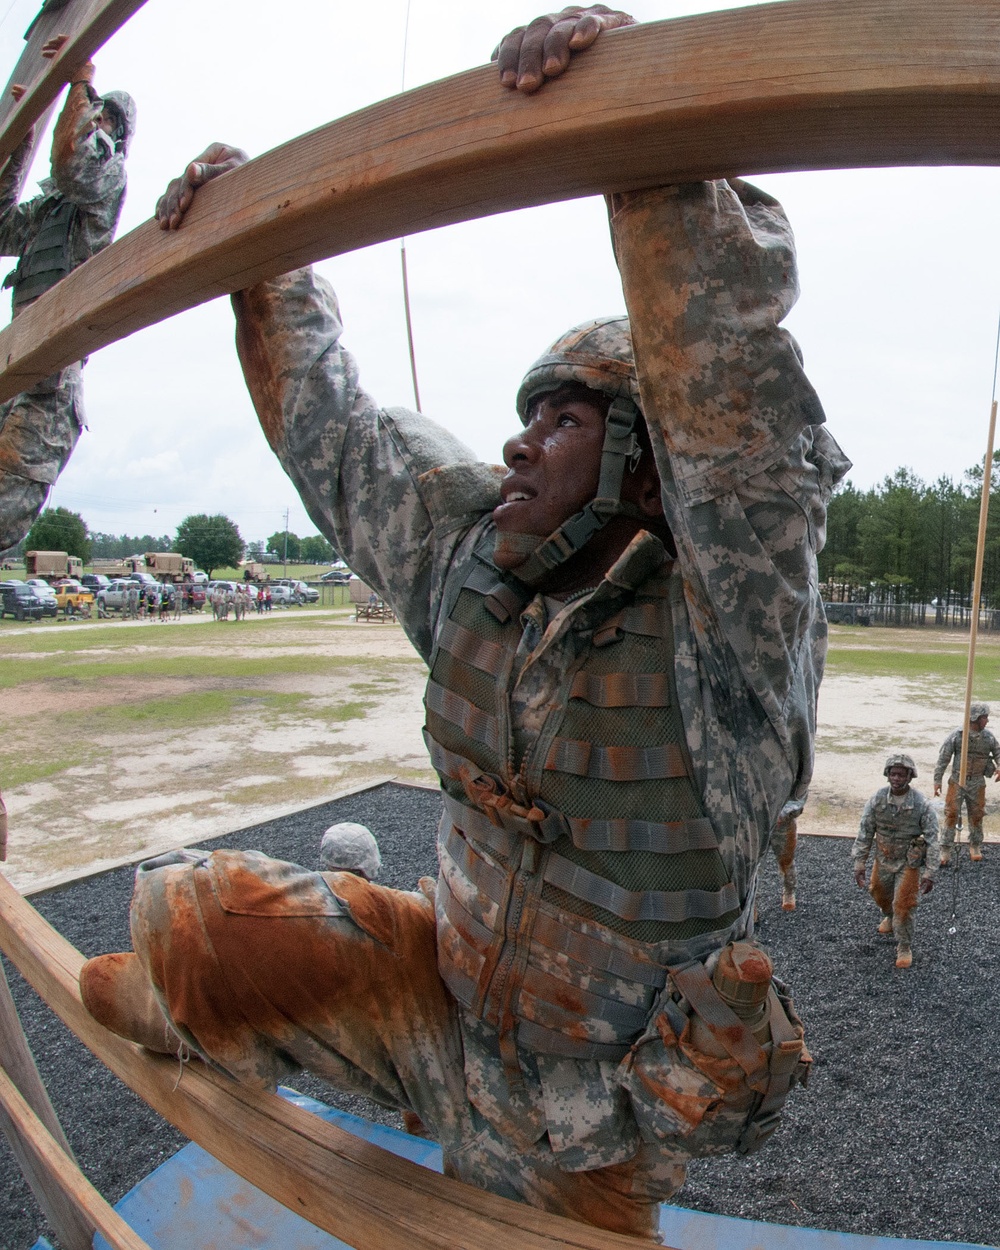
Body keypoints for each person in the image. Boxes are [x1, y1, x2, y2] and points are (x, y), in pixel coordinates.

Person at [79, 9, 849, 1238]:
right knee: (191, 917)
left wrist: (638, 117)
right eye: (527, 417)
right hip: (435, 1005)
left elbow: (730, 397)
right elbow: (338, 441)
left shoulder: (731, 646)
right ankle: (198, 1008)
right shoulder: (471, 574)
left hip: (586, 1110)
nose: (519, 443)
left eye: (564, 420)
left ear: (649, 470)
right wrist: (259, 253)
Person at [0, 60, 134, 552]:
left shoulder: (107, 179)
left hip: (51, 382)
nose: (96, 122)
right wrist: (21, 142)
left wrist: (79, 83)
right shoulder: (48, 209)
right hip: (14, 365)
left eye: (107, 120)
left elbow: (73, 166)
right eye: (95, 113)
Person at [852, 754, 939, 970]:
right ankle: (889, 916)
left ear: (910, 776)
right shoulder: (877, 800)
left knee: (904, 904)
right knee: (878, 892)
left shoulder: (921, 804)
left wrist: (930, 872)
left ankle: (904, 946)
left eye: (901, 774)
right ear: (887, 775)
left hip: (908, 863)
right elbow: (865, 832)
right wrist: (859, 863)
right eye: (893, 774)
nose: (897, 778)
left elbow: (932, 839)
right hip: (883, 858)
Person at [933, 701, 1000, 864]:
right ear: (975, 718)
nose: (987, 721)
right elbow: (943, 758)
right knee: (951, 813)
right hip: (957, 781)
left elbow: (998, 752)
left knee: (977, 814)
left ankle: (975, 845)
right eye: (984, 717)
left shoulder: (988, 737)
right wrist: (937, 780)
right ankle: (945, 848)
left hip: (977, 782)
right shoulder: (957, 736)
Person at [771, 798, 805, 912]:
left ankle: (789, 891)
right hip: (756, 822)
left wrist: (785, 813)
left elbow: (800, 794)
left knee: (786, 860)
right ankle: (752, 901)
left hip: (783, 822)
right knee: (753, 863)